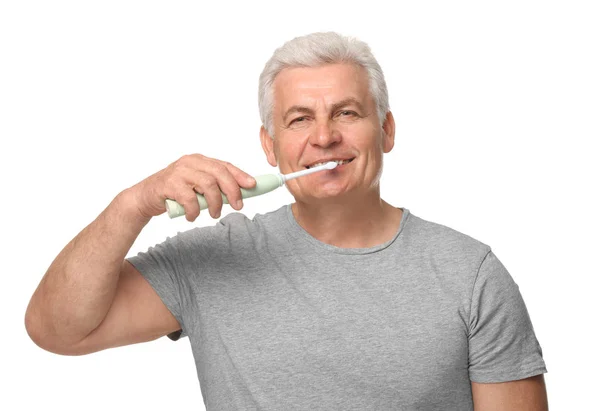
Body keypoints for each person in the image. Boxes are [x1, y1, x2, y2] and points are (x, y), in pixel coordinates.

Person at [25, 32, 548, 410]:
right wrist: (133, 204)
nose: (323, 137)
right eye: (300, 119)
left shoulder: (470, 275)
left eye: (346, 113)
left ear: (386, 130)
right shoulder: (212, 262)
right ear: (270, 147)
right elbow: (57, 330)